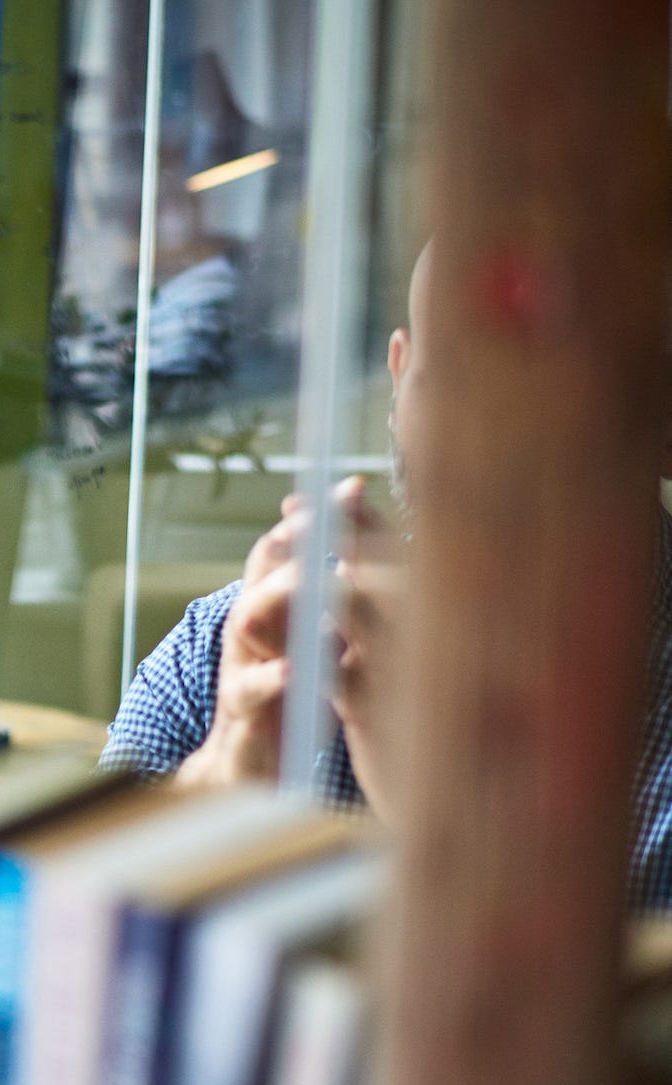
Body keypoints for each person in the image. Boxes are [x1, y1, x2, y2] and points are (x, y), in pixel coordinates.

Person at [102, 244, 672, 908]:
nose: (482, 450)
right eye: (448, 383)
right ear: (400, 378)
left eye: (549, 406)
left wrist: (436, 817)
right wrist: (230, 770)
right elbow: (60, 964)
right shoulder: (219, 653)